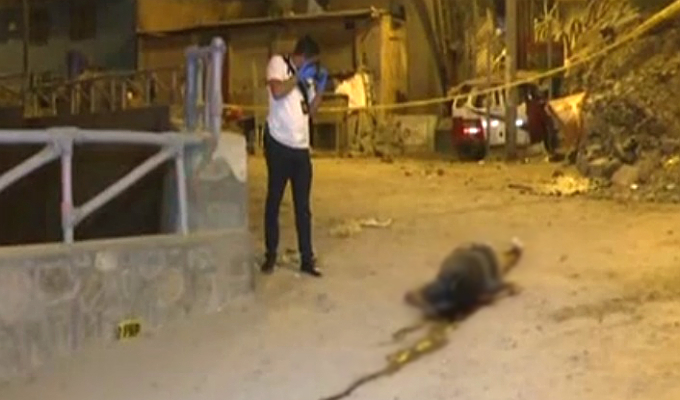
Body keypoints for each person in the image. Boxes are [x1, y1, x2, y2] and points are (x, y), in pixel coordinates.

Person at [260, 35, 329, 278]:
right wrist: (298, 76)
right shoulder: (278, 63)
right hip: (278, 145)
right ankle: (270, 254)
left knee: (303, 207)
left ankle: (306, 259)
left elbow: (311, 111)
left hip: (301, 149)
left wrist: (320, 89)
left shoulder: (307, 79)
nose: (313, 66)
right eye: (311, 61)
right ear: (301, 56)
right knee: (274, 201)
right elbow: (277, 91)